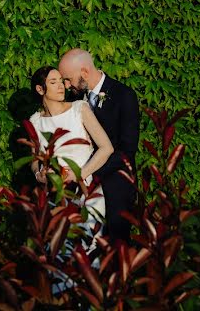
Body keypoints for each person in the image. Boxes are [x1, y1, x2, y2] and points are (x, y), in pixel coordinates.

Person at [58, 49, 139, 243]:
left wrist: (88, 172)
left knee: (115, 246)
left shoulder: (123, 95)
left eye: (68, 80)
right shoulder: (76, 101)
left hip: (115, 183)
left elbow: (127, 150)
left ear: (84, 72)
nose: (66, 86)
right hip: (80, 187)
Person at [28, 66, 114, 234]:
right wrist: (40, 175)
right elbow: (34, 160)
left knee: (90, 245)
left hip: (87, 190)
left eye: (61, 81)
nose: (61, 86)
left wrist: (79, 174)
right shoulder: (35, 122)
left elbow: (106, 148)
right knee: (60, 248)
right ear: (40, 89)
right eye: (53, 82)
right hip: (55, 194)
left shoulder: (79, 109)